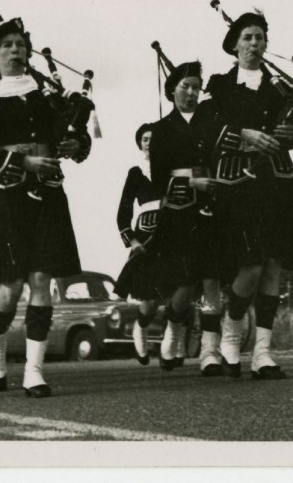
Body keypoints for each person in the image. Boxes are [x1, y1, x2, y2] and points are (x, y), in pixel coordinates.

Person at [0, 17, 91, 397]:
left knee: (41, 280)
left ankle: (34, 371)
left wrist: (77, 144)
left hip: (48, 196)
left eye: (21, 44)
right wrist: (24, 163)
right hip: (7, 196)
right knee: (10, 287)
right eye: (7, 44)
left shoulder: (47, 95)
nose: (16, 49)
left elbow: (73, 138)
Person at [204, 9, 293, 380]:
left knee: (273, 265)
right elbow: (210, 127)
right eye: (248, 38)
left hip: (278, 183)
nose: (255, 44)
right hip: (238, 185)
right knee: (249, 266)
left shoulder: (282, 87)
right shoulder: (221, 85)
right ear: (235, 45)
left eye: (260, 37)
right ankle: (232, 331)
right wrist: (245, 135)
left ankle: (263, 353)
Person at [148, 59, 221, 373]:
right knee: (186, 285)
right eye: (185, 87)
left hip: (214, 207)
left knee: (212, 281)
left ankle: (210, 351)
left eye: (196, 87)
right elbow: (157, 180)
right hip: (179, 212)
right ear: (172, 90)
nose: (192, 93)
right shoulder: (161, 130)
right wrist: (191, 182)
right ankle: (173, 330)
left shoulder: (212, 121)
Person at [113, 123, 164, 366]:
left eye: (154, 138)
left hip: (177, 230)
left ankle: (172, 343)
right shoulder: (136, 172)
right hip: (147, 237)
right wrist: (132, 240)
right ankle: (140, 329)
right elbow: (123, 212)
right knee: (151, 299)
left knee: (182, 292)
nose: (149, 143)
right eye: (145, 139)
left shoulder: (174, 168)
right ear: (139, 143)